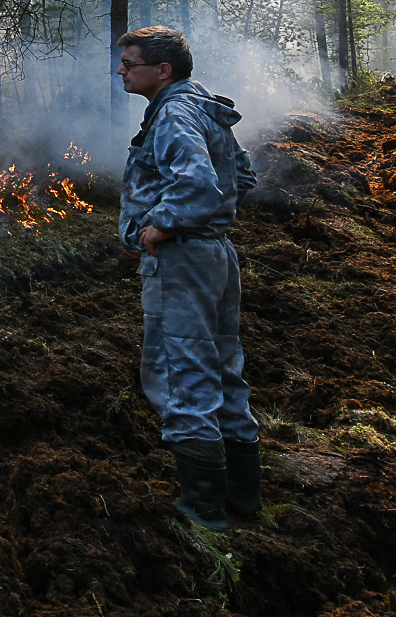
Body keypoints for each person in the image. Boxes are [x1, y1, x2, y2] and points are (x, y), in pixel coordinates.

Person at [116, 26, 261, 530]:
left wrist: (159, 227)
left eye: (130, 64)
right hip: (216, 255)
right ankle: (244, 500)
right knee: (224, 370)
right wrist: (213, 219)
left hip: (182, 258)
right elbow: (240, 176)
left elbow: (197, 182)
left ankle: (202, 512)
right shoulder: (204, 109)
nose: (121, 71)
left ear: (162, 70)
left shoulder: (175, 113)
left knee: (183, 373)